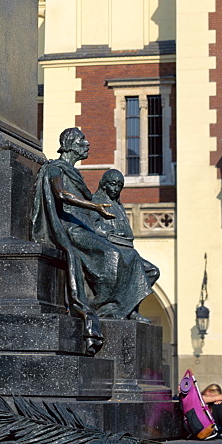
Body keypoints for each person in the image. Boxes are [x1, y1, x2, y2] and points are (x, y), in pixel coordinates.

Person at [31, 127, 160, 355]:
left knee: (130, 257)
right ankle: (103, 306)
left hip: (83, 226)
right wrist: (94, 206)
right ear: (70, 144)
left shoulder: (74, 174)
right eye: (82, 140)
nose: (87, 144)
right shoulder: (54, 169)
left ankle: (121, 307)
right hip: (70, 228)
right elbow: (61, 195)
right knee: (111, 255)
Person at [91, 169, 161, 289]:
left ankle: (128, 304)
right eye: (112, 184)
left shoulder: (119, 206)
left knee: (153, 272)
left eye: (119, 186)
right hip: (111, 248)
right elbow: (92, 226)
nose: (116, 189)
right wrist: (110, 233)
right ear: (104, 184)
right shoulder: (95, 202)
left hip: (126, 249)